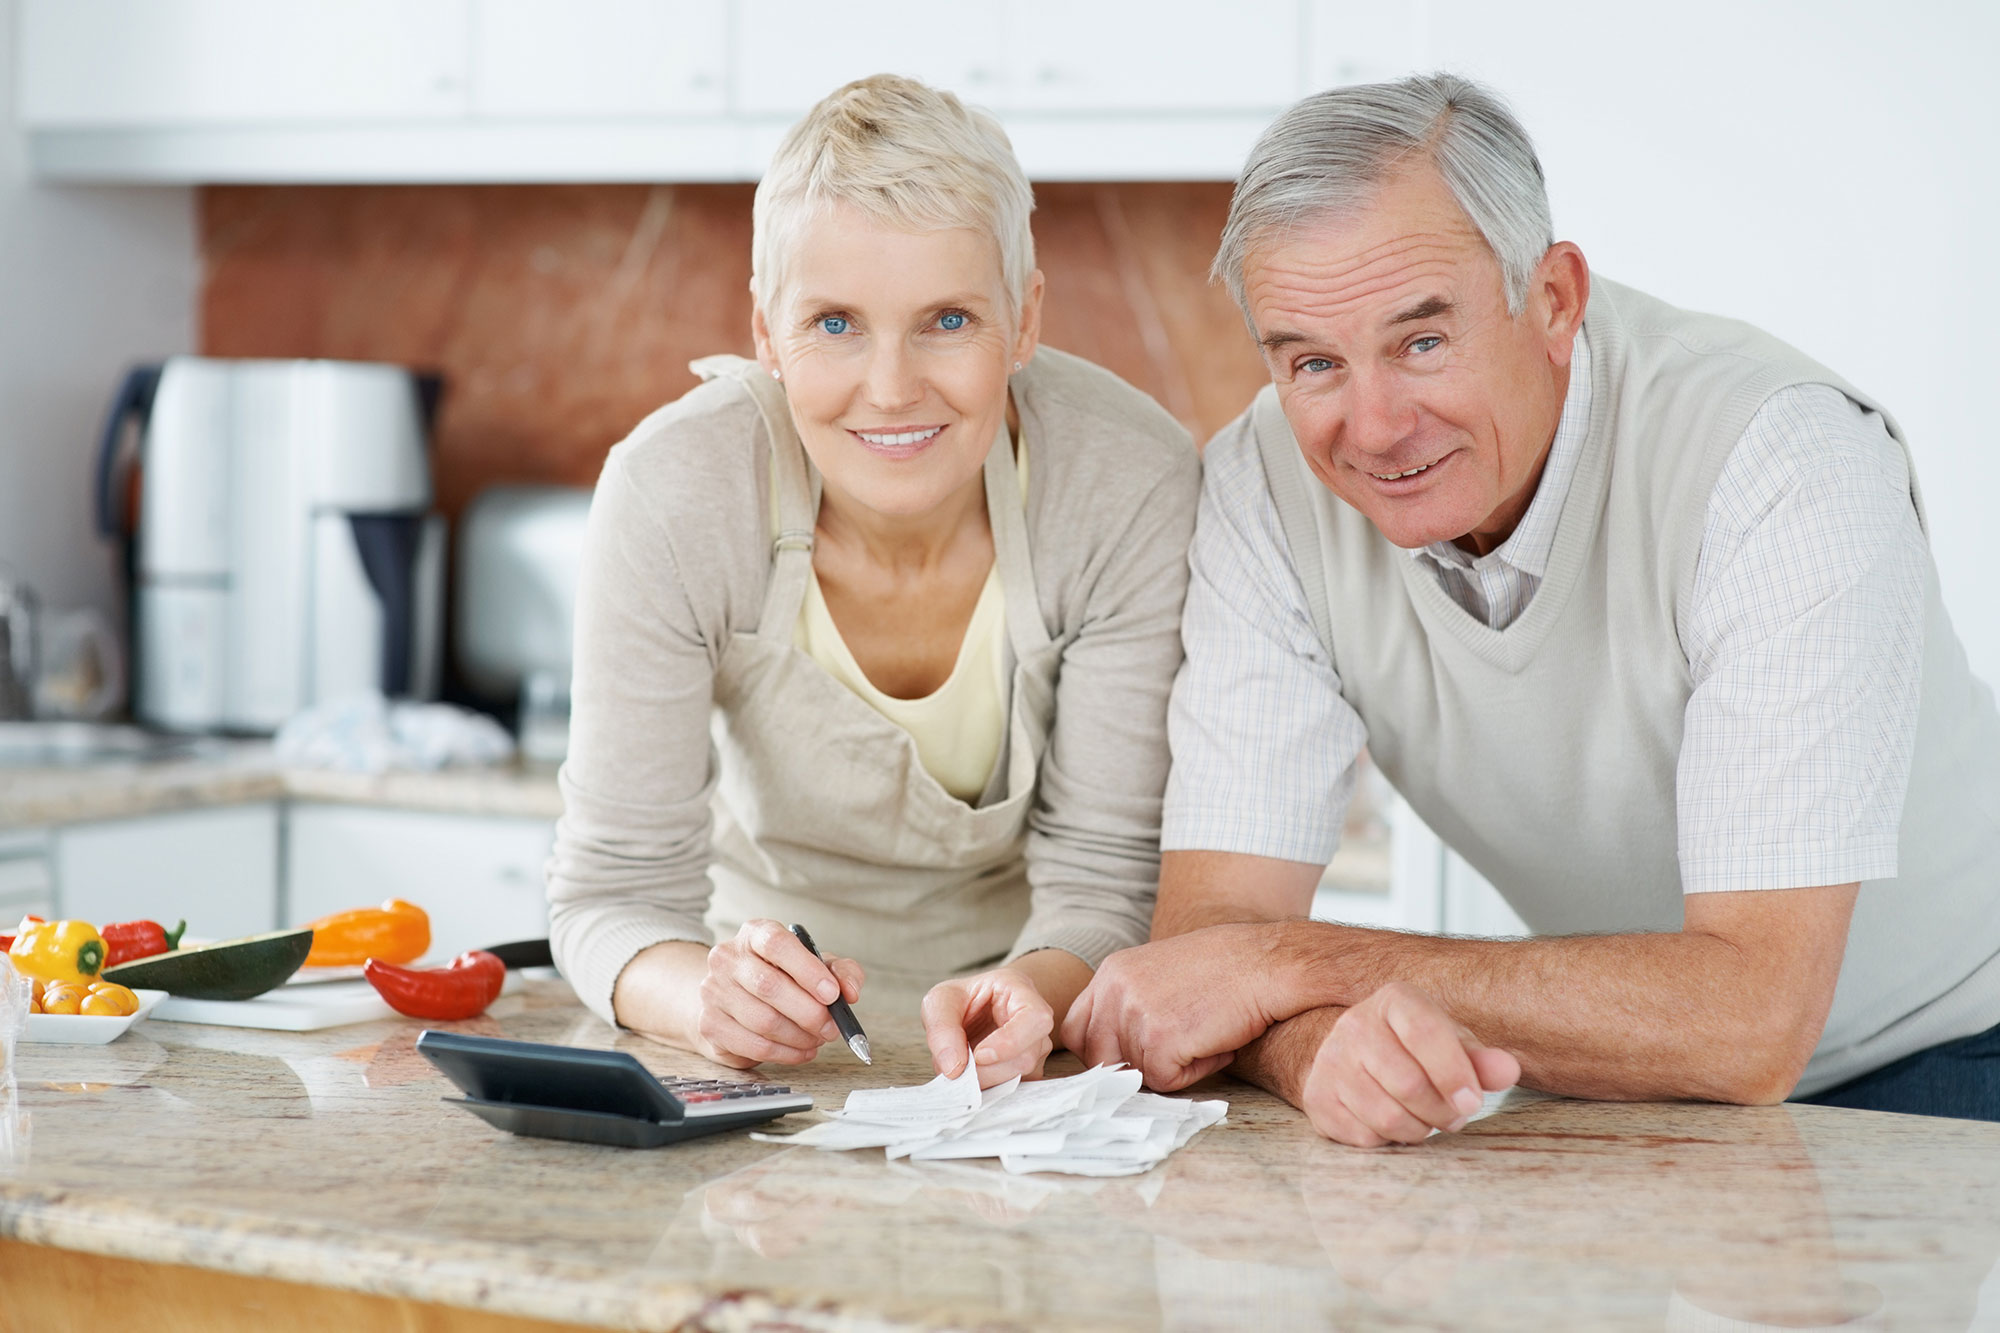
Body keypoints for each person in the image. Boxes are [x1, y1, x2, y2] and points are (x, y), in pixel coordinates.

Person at [1063, 73, 2000, 1143]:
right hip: (1623, 1066)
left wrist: (1291, 968)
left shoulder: (1777, 460)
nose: (1371, 427)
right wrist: (1313, 1044)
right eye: (1313, 361)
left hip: (1947, 1059)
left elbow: (1751, 1018)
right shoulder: (1261, 485)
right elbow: (1210, 943)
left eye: (1422, 341)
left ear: (1551, 300)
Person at [547, 75, 1199, 1089]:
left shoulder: (1124, 482)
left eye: (946, 320)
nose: (891, 388)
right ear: (765, 332)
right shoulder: (676, 492)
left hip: (1037, 1039)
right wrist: (705, 998)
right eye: (835, 324)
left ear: (1022, 322)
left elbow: (1105, 879)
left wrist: (1024, 992)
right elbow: (607, 893)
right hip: (755, 1061)